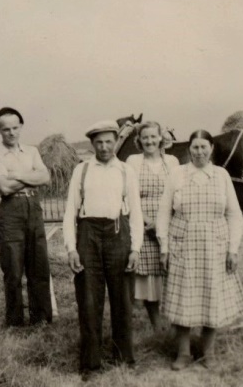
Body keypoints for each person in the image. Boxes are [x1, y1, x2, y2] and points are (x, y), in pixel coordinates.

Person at [156, 129, 243, 370]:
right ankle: (184, 353)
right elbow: (164, 212)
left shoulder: (221, 175)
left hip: (214, 245)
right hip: (182, 243)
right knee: (184, 298)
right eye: (195, 148)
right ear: (189, 149)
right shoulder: (177, 174)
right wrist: (164, 247)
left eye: (203, 147)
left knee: (212, 297)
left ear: (211, 149)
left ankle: (209, 353)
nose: (199, 152)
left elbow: (234, 214)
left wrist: (233, 249)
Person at [63, 120, 143, 377]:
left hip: (119, 233)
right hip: (88, 234)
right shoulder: (82, 170)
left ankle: (124, 358)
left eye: (109, 141)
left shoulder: (125, 170)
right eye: (99, 142)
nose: (105, 147)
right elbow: (69, 213)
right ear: (92, 144)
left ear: (115, 142)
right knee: (88, 300)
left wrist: (136, 248)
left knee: (122, 298)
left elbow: (137, 212)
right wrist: (71, 249)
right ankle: (90, 364)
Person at [0, 107, 53, 327]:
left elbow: (45, 178)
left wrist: (18, 176)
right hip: (11, 212)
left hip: (34, 208)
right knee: (13, 270)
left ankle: (41, 319)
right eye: (6, 129)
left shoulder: (32, 151)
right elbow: (4, 188)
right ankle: (14, 321)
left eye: (15, 128)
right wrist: (31, 177)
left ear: (21, 127)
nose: (11, 133)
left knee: (39, 266)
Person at [125, 121, 179, 331]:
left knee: (172, 271)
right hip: (143, 223)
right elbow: (129, 195)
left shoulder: (172, 161)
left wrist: (163, 223)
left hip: (170, 222)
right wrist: (147, 221)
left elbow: (178, 193)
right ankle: (157, 324)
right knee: (149, 274)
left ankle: (175, 321)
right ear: (139, 140)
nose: (149, 141)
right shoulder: (133, 161)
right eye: (145, 137)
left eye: (153, 137)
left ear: (161, 138)